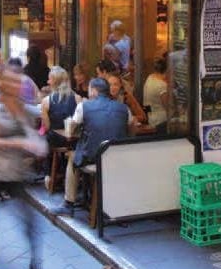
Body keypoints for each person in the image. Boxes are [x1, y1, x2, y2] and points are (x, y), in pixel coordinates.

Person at [0, 66, 47, 269]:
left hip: (17, 171)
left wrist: (36, 144)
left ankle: (35, 264)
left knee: (30, 219)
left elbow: (31, 132)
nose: (17, 86)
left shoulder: (22, 107)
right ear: (3, 83)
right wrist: (16, 143)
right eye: (13, 82)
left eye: (19, 82)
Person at [54, 78, 129, 216]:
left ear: (94, 91)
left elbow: (72, 128)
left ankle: (69, 203)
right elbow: (132, 126)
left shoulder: (84, 106)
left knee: (72, 157)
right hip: (118, 158)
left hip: (94, 158)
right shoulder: (124, 108)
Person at [40, 67, 80, 183]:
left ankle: (49, 174)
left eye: (50, 79)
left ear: (55, 82)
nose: (48, 82)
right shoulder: (77, 98)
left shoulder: (46, 101)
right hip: (73, 140)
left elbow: (47, 126)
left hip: (56, 140)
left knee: (45, 137)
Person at [143, 58, 170, 134]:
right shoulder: (162, 85)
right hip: (161, 121)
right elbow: (168, 107)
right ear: (167, 70)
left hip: (151, 117)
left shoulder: (150, 77)